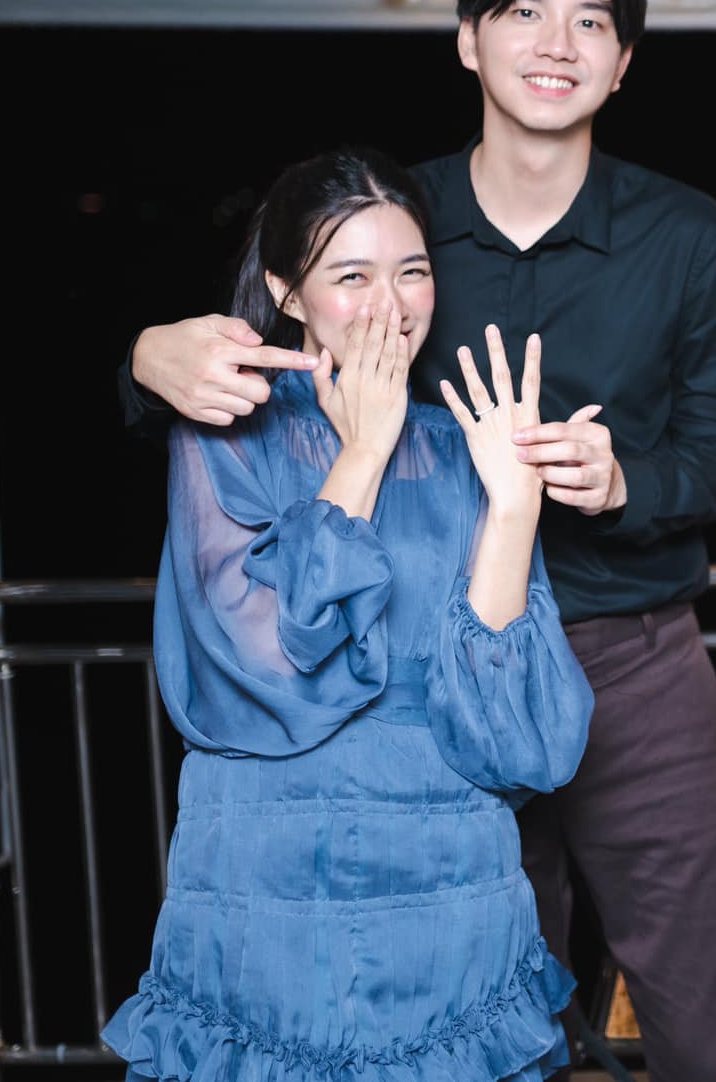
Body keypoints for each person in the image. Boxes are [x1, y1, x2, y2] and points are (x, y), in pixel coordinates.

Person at [116, 0, 716, 1080]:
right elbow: (242, 379)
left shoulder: (684, 232)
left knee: (709, 1014)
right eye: (523, 12)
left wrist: (621, 479)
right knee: (486, 1013)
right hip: (409, 674)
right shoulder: (392, 225)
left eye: (591, 22)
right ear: (469, 38)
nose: (556, 44)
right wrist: (142, 355)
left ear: (624, 60)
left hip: (627, 657)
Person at [102, 147, 595, 1081]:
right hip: (266, 883)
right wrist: (363, 451)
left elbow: (514, 743)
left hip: (451, 885)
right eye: (352, 275)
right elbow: (271, 668)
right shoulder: (224, 434)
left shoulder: (465, 446)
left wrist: (514, 506)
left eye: (412, 272)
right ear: (286, 292)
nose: (390, 304)